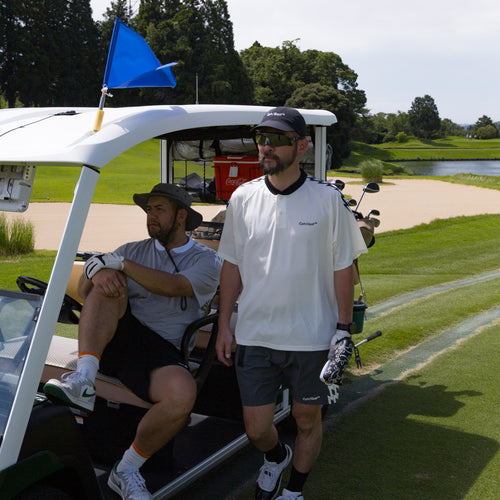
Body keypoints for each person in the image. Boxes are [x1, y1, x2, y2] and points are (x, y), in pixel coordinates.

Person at [215, 107, 367, 500]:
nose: (267, 147)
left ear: (301, 147)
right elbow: (231, 265)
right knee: (256, 427)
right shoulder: (242, 198)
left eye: (278, 139)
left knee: (305, 417)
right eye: (262, 138)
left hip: (311, 336)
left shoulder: (328, 200)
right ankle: (275, 456)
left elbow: (342, 267)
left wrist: (342, 330)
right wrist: (224, 325)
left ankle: (293, 492)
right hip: (254, 333)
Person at [44, 183, 222, 500]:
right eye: (148, 209)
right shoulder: (132, 248)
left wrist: (117, 265)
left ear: (182, 216)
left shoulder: (206, 261)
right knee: (107, 285)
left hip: (161, 349)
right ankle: (84, 376)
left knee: (183, 394)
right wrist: (96, 273)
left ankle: (125, 470)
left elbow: (173, 286)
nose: (150, 216)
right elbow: (87, 291)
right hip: (115, 337)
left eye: (159, 210)